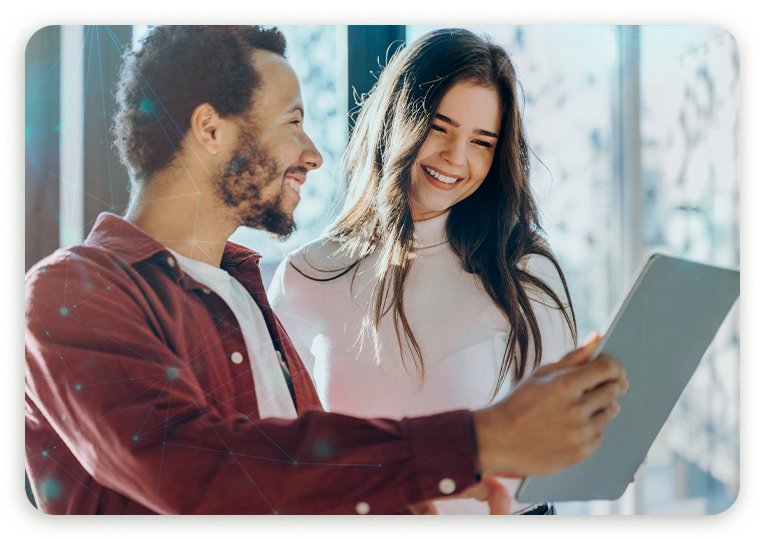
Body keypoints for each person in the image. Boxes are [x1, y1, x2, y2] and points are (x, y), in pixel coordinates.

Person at [24, 25, 628, 515]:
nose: (313, 154)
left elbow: (299, 477)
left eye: (482, 141)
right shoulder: (70, 292)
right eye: (292, 122)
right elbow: (196, 470)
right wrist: (473, 442)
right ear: (210, 129)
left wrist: (399, 501)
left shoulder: (244, 295)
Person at [268, 29, 577, 514]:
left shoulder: (523, 272)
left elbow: (557, 460)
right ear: (398, 121)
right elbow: (282, 460)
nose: (457, 158)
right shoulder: (305, 275)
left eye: (482, 141)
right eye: (440, 127)